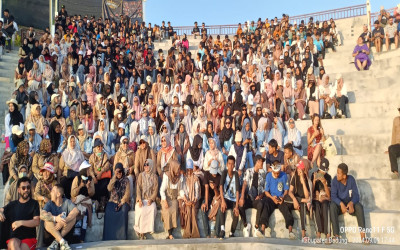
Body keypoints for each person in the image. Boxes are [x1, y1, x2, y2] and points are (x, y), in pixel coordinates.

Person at [330, 163, 369, 244]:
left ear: (344, 176)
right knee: (332, 206)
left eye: (338, 173)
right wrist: (341, 204)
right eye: (337, 172)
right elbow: (333, 196)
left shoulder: (351, 179)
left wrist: (351, 203)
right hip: (339, 206)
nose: (337, 174)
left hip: (349, 205)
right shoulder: (334, 180)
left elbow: (356, 195)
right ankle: (336, 236)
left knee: (359, 206)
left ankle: (363, 237)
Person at [0, 177, 40, 250]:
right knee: (13, 243)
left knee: (19, 247)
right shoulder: (12, 204)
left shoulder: (34, 203)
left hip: (29, 238)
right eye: (23, 188)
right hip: (13, 238)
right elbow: (1, 209)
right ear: (18, 190)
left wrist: (20, 222)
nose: (26, 190)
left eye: (28, 187)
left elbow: (36, 222)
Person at [40, 184, 79, 250]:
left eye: (52, 191)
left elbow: (76, 211)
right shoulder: (49, 203)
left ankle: (56, 241)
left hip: (65, 232)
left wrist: (63, 221)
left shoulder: (67, 201)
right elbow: (42, 215)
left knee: (73, 218)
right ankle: (62, 242)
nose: (50, 192)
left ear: (58, 194)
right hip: (52, 234)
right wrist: (55, 219)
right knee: (47, 218)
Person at [264, 163, 296, 240]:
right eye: (276, 173)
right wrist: (272, 198)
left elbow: (286, 189)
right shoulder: (268, 176)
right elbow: (266, 192)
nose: (277, 174)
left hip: (281, 198)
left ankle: (290, 231)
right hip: (272, 198)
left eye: (278, 173)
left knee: (286, 210)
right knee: (266, 207)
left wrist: (283, 197)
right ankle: (262, 229)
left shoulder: (283, 175)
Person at [218, 155, 247, 239]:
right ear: (227, 164)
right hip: (226, 198)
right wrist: (223, 201)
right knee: (222, 207)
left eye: (232, 164)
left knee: (236, 213)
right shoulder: (224, 173)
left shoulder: (236, 175)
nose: (230, 166)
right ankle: (222, 230)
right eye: (229, 163)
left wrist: (237, 206)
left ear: (234, 165)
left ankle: (231, 232)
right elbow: (220, 187)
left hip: (234, 199)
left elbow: (238, 191)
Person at [239, 155, 267, 237]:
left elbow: (264, 189)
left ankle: (256, 227)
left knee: (260, 204)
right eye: (261, 161)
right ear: (257, 162)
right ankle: (245, 225)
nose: (263, 163)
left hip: (256, 198)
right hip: (248, 197)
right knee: (240, 205)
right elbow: (244, 184)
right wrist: (242, 197)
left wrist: (260, 196)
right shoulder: (249, 171)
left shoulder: (263, 173)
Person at [103, 163, 131, 241]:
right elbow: (109, 188)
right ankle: (109, 237)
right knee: (108, 211)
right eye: (117, 172)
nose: (119, 174)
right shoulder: (113, 179)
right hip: (113, 201)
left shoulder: (126, 180)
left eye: (120, 172)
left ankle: (122, 237)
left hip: (123, 202)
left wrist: (121, 202)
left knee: (123, 211)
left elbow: (127, 194)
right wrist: (114, 177)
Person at [135, 159, 158, 240]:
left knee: (152, 208)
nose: (146, 166)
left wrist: (151, 199)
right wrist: (139, 199)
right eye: (145, 165)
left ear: (151, 165)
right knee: (141, 209)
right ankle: (141, 232)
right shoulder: (141, 175)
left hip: (150, 200)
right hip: (142, 199)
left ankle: (147, 230)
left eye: (148, 164)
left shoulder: (154, 176)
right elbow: (138, 189)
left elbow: (155, 190)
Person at [179, 159, 201, 238]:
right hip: (186, 200)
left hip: (195, 200)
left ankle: (195, 233)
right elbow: (182, 190)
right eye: (187, 170)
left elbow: (197, 191)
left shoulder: (195, 178)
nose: (189, 171)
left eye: (190, 170)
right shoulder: (184, 178)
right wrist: (186, 200)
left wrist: (194, 199)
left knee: (193, 212)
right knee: (188, 211)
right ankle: (187, 233)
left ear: (192, 169)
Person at [160, 159, 181, 239]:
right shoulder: (166, 176)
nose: (178, 171)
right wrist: (165, 200)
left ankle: (171, 232)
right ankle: (169, 233)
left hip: (174, 198)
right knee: (167, 210)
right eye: (177, 169)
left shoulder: (179, 177)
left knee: (175, 209)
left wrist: (181, 198)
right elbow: (162, 190)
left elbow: (180, 190)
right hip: (166, 197)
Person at [311, 159, 331, 243]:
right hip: (316, 199)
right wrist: (314, 181)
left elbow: (329, 195)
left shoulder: (328, 177)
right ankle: (318, 233)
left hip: (325, 199)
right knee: (316, 205)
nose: (322, 173)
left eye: (324, 171)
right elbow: (311, 193)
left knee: (325, 205)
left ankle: (328, 234)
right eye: (321, 170)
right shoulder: (313, 175)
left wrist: (325, 184)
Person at [388, 106, 400, 179]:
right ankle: (395, 172)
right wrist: (390, 148)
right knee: (391, 148)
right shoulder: (396, 120)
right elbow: (394, 133)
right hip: (398, 145)